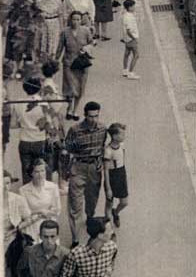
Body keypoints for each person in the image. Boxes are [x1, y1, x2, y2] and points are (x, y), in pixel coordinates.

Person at [65, 101, 108, 245]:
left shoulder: (103, 129)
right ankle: (75, 240)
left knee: (92, 199)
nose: (93, 120)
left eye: (96, 116)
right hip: (78, 167)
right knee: (75, 206)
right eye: (90, 116)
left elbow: (103, 147)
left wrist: (100, 161)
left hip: (94, 169)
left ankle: (90, 217)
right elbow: (67, 148)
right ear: (85, 115)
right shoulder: (75, 130)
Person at [4, 170, 39, 277]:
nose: (4, 187)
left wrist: (18, 227)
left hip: (12, 245)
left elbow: (30, 217)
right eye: (1, 183)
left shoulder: (17, 200)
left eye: (7, 183)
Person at [11, 77, 54, 185]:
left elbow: (13, 124)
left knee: (27, 173)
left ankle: (27, 197)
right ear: (39, 88)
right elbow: (49, 124)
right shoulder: (43, 103)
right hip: (40, 141)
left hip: (24, 141)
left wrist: (25, 123)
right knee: (43, 171)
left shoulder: (18, 103)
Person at [55, 11, 95, 120]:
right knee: (71, 88)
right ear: (70, 20)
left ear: (81, 20)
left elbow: (91, 43)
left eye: (78, 19)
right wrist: (55, 61)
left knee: (80, 88)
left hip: (82, 63)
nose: (76, 22)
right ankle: (69, 108)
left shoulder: (86, 31)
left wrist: (86, 49)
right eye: (74, 19)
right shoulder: (65, 32)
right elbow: (60, 48)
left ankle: (75, 110)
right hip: (69, 63)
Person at [19, 159, 62, 242]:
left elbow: (57, 210)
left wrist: (40, 213)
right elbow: (25, 213)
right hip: (32, 225)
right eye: (37, 172)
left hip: (49, 223)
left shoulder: (53, 187)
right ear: (31, 173)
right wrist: (41, 211)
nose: (40, 175)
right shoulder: (23, 190)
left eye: (42, 171)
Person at [104, 123, 129, 228]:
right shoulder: (108, 151)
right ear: (114, 136)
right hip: (112, 176)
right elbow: (106, 170)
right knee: (109, 203)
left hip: (121, 174)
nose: (124, 136)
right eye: (122, 134)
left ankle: (116, 212)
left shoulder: (122, 146)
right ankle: (109, 227)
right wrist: (108, 188)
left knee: (124, 202)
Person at [121, 0, 141, 79]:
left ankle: (125, 70)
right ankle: (131, 72)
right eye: (133, 6)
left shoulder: (125, 15)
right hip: (131, 38)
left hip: (126, 39)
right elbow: (129, 30)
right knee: (136, 55)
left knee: (127, 54)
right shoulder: (129, 17)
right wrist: (134, 38)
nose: (134, 8)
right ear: (129, 7)